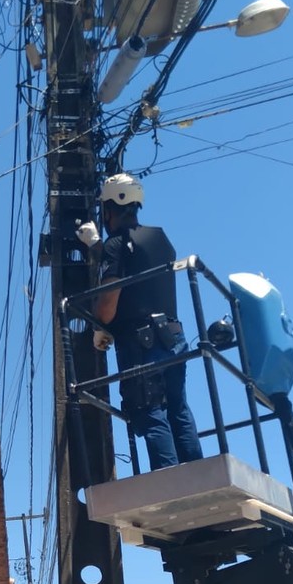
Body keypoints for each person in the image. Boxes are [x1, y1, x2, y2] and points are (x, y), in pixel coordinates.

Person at [79, 173, 204, 471]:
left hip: (141, 344)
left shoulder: (115, 246)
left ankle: (173, 484)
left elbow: (108, 307)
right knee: (178, 408)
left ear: (109, 207)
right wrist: (99, 247)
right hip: (173, 337)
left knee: (150, 410)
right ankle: (199, 475)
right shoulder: (160, 240)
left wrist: (99, 326)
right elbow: (136, 269)